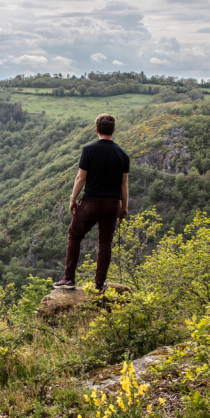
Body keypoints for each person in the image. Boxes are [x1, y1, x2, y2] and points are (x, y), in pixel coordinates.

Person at [53, 113, 129, 292]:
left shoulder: (89, 149)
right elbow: (124, 184)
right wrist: (124, 207)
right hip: (112, 204)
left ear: (97, 130)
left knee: (74, 236)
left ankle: (69, 278)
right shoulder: (123, 154)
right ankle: (100, 283)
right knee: (105, 243)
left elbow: (80, 178)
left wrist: (73, 199)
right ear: (113, 130)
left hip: (90, 203)